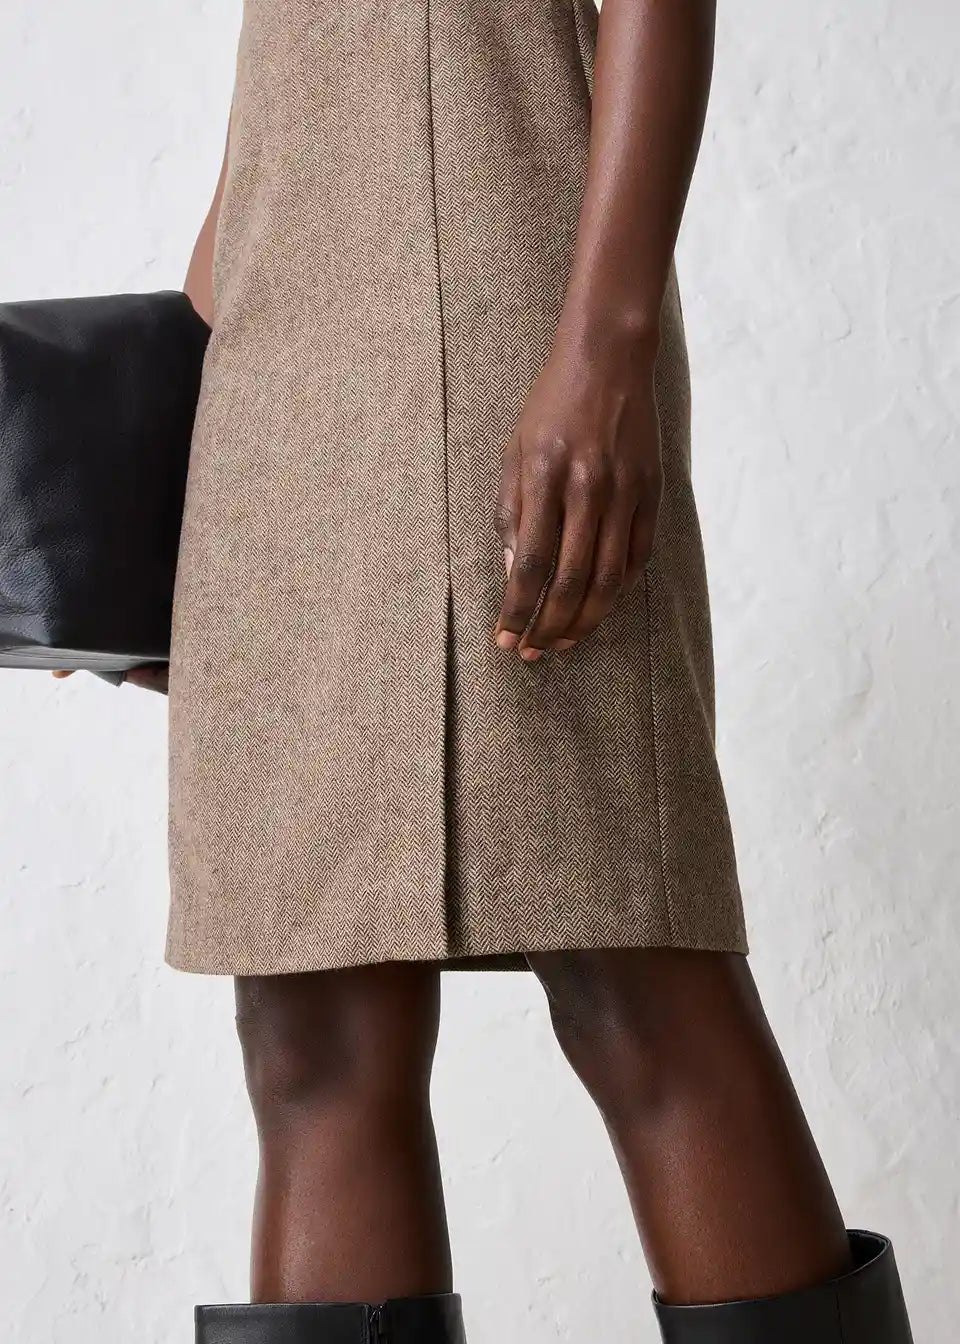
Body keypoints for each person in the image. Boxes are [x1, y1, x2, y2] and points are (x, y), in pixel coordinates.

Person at [84, 1, 916, 1339]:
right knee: (308, 1031)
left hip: (513, 316)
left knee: (633, 968)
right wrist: (158, 453)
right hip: (277, 370)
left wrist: (607, 347)